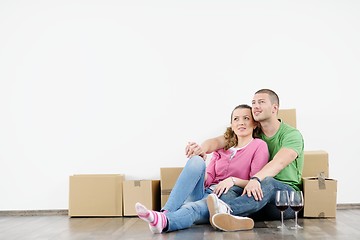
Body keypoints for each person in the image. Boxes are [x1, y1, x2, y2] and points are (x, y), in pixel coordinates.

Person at [135, 104, 269, 233]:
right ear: (232, 126)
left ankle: (164, 222)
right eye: (236, 119)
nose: (241, 122)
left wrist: (232, 180)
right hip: (205, 191)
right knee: (196, 161)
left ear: (255, 123)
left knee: (192, 208)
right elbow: (209, 178)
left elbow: (256, 182)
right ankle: (166, 212)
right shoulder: (223, 149)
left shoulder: (259, 146)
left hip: (224, 197)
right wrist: (198, 172)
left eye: (246, 118)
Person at [187, 89, 304, 232]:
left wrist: (256, 179)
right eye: (253, 103)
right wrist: (201, 150)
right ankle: (235, 219)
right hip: (256, 197)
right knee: (227, 191)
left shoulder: (291, 135)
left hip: (284, 200)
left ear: (274, 108)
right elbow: (217, 141)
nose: (255, 106)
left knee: (268, 182)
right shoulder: (252, 133)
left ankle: (224, 211)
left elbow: (278, 163)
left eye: (261, 102)